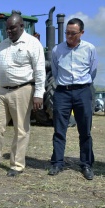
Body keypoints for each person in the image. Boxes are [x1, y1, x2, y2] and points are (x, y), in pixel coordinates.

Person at [0, 12, 46, 176]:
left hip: (22, 89)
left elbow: (39, 70)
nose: (9, 31)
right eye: (7, 29)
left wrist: (38, 94)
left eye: (12, 28)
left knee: (21, 128)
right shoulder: (2, 45)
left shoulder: (32, 44)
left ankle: (16, 164)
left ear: (21, 26)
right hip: (1, 90)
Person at [48, 18, 98, 180]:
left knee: (85, 130)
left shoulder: (89, 49)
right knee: (59, 130)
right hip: (62, 92)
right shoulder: (57, 50)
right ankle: (57, 162)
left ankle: (86, 164)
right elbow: (55, 72)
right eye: (67, 33)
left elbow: (92, 71)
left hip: (82, 91)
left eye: (73, 33)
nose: (69, 36)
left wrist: (80, 86)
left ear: (81, 33)